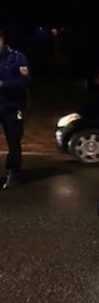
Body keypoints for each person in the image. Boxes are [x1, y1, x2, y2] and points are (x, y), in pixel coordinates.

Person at [0, 30, 31, 189]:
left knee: (13, 141)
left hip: (12, 106)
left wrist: (4, 84)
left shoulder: (17, 57)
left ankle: (13, 172)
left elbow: (25, 80)